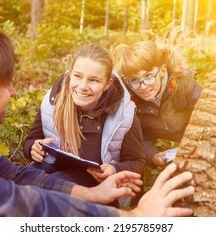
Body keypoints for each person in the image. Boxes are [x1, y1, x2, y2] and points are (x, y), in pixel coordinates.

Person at [0, 22, 194, 217]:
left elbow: (14, 175)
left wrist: (92, 193)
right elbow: (15, 206)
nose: (13, 91)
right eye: (6, 83)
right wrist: (132, 219)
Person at [23, 44, 145, 189]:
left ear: (107, 84)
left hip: (97, 185)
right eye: (78, 76)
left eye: (94, 80)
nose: (82, 86)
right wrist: (32, 148)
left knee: (55, 185)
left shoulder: (124, 114)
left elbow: (137, 162)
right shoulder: (53, 101)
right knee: (24, 178)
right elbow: (31, 140)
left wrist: (115, 169)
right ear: (70, 75)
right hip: (54, 167)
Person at [117, 41, 202, 168]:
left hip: (192, 134)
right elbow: (139, 136)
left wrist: (195, 145)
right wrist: (153, 156)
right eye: (134, 80)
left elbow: (205, 118)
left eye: (148, 76)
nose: (143, 86)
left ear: (162, 71)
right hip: (161, 137)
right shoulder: (131, 100)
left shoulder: (184, 84)